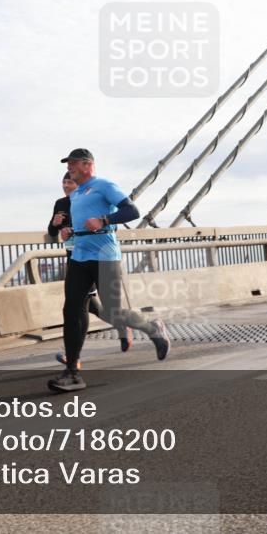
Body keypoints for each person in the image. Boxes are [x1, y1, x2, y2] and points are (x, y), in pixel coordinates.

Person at [49, 148, 170, 393]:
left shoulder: (104, 185)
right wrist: (67, 232)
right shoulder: (76, 195)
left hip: (104, 256)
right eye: (68, 164)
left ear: (87, 165)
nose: (69, 168)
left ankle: (152, 327)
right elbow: (82, 223)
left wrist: (104, 220)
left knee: (113, 311)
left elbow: (132, 211)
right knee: (72, 311)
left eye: (73, 163)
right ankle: (72, 372)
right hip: (79, 257)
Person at [48, 173, 132, 369]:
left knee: (83, 306)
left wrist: (87, 228)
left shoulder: (91, 199)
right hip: (74, 258)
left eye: (70, 182)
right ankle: (120, 326)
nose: (66, 185)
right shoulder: (60, 203)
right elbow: (51, 232)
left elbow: (111, 226)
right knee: (84, 306)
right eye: (64, 182)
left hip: (95, 257)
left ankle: (74, 357)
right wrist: (55, 225)